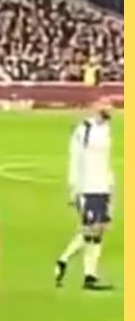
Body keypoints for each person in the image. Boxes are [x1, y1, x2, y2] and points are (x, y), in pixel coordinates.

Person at [56, 99, 115, 290]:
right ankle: (66, 261)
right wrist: (74, 187)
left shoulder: (106, 129)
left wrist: (110, 183)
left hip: (102, 186)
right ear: (96, 109)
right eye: (106, 107)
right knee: (92, 229)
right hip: (88, 187)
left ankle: (88, 275)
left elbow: (104, 159)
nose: (110, 110)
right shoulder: (84, 130)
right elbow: (76, 158)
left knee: (98, 231)